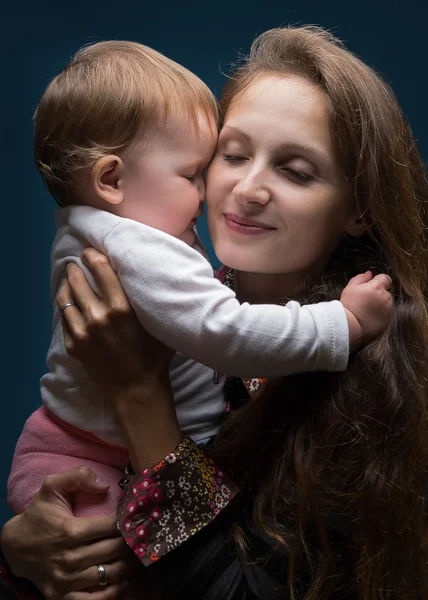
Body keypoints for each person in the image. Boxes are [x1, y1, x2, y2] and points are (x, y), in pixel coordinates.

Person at [3, 24, 428, 599]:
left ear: (357, 208)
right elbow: (79, 453)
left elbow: (242, 589)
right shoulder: (162, 292)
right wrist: (26, 555)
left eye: (295, 171)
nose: (247, 188)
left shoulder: (374, 373)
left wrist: (140, 395)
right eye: (231, 155)